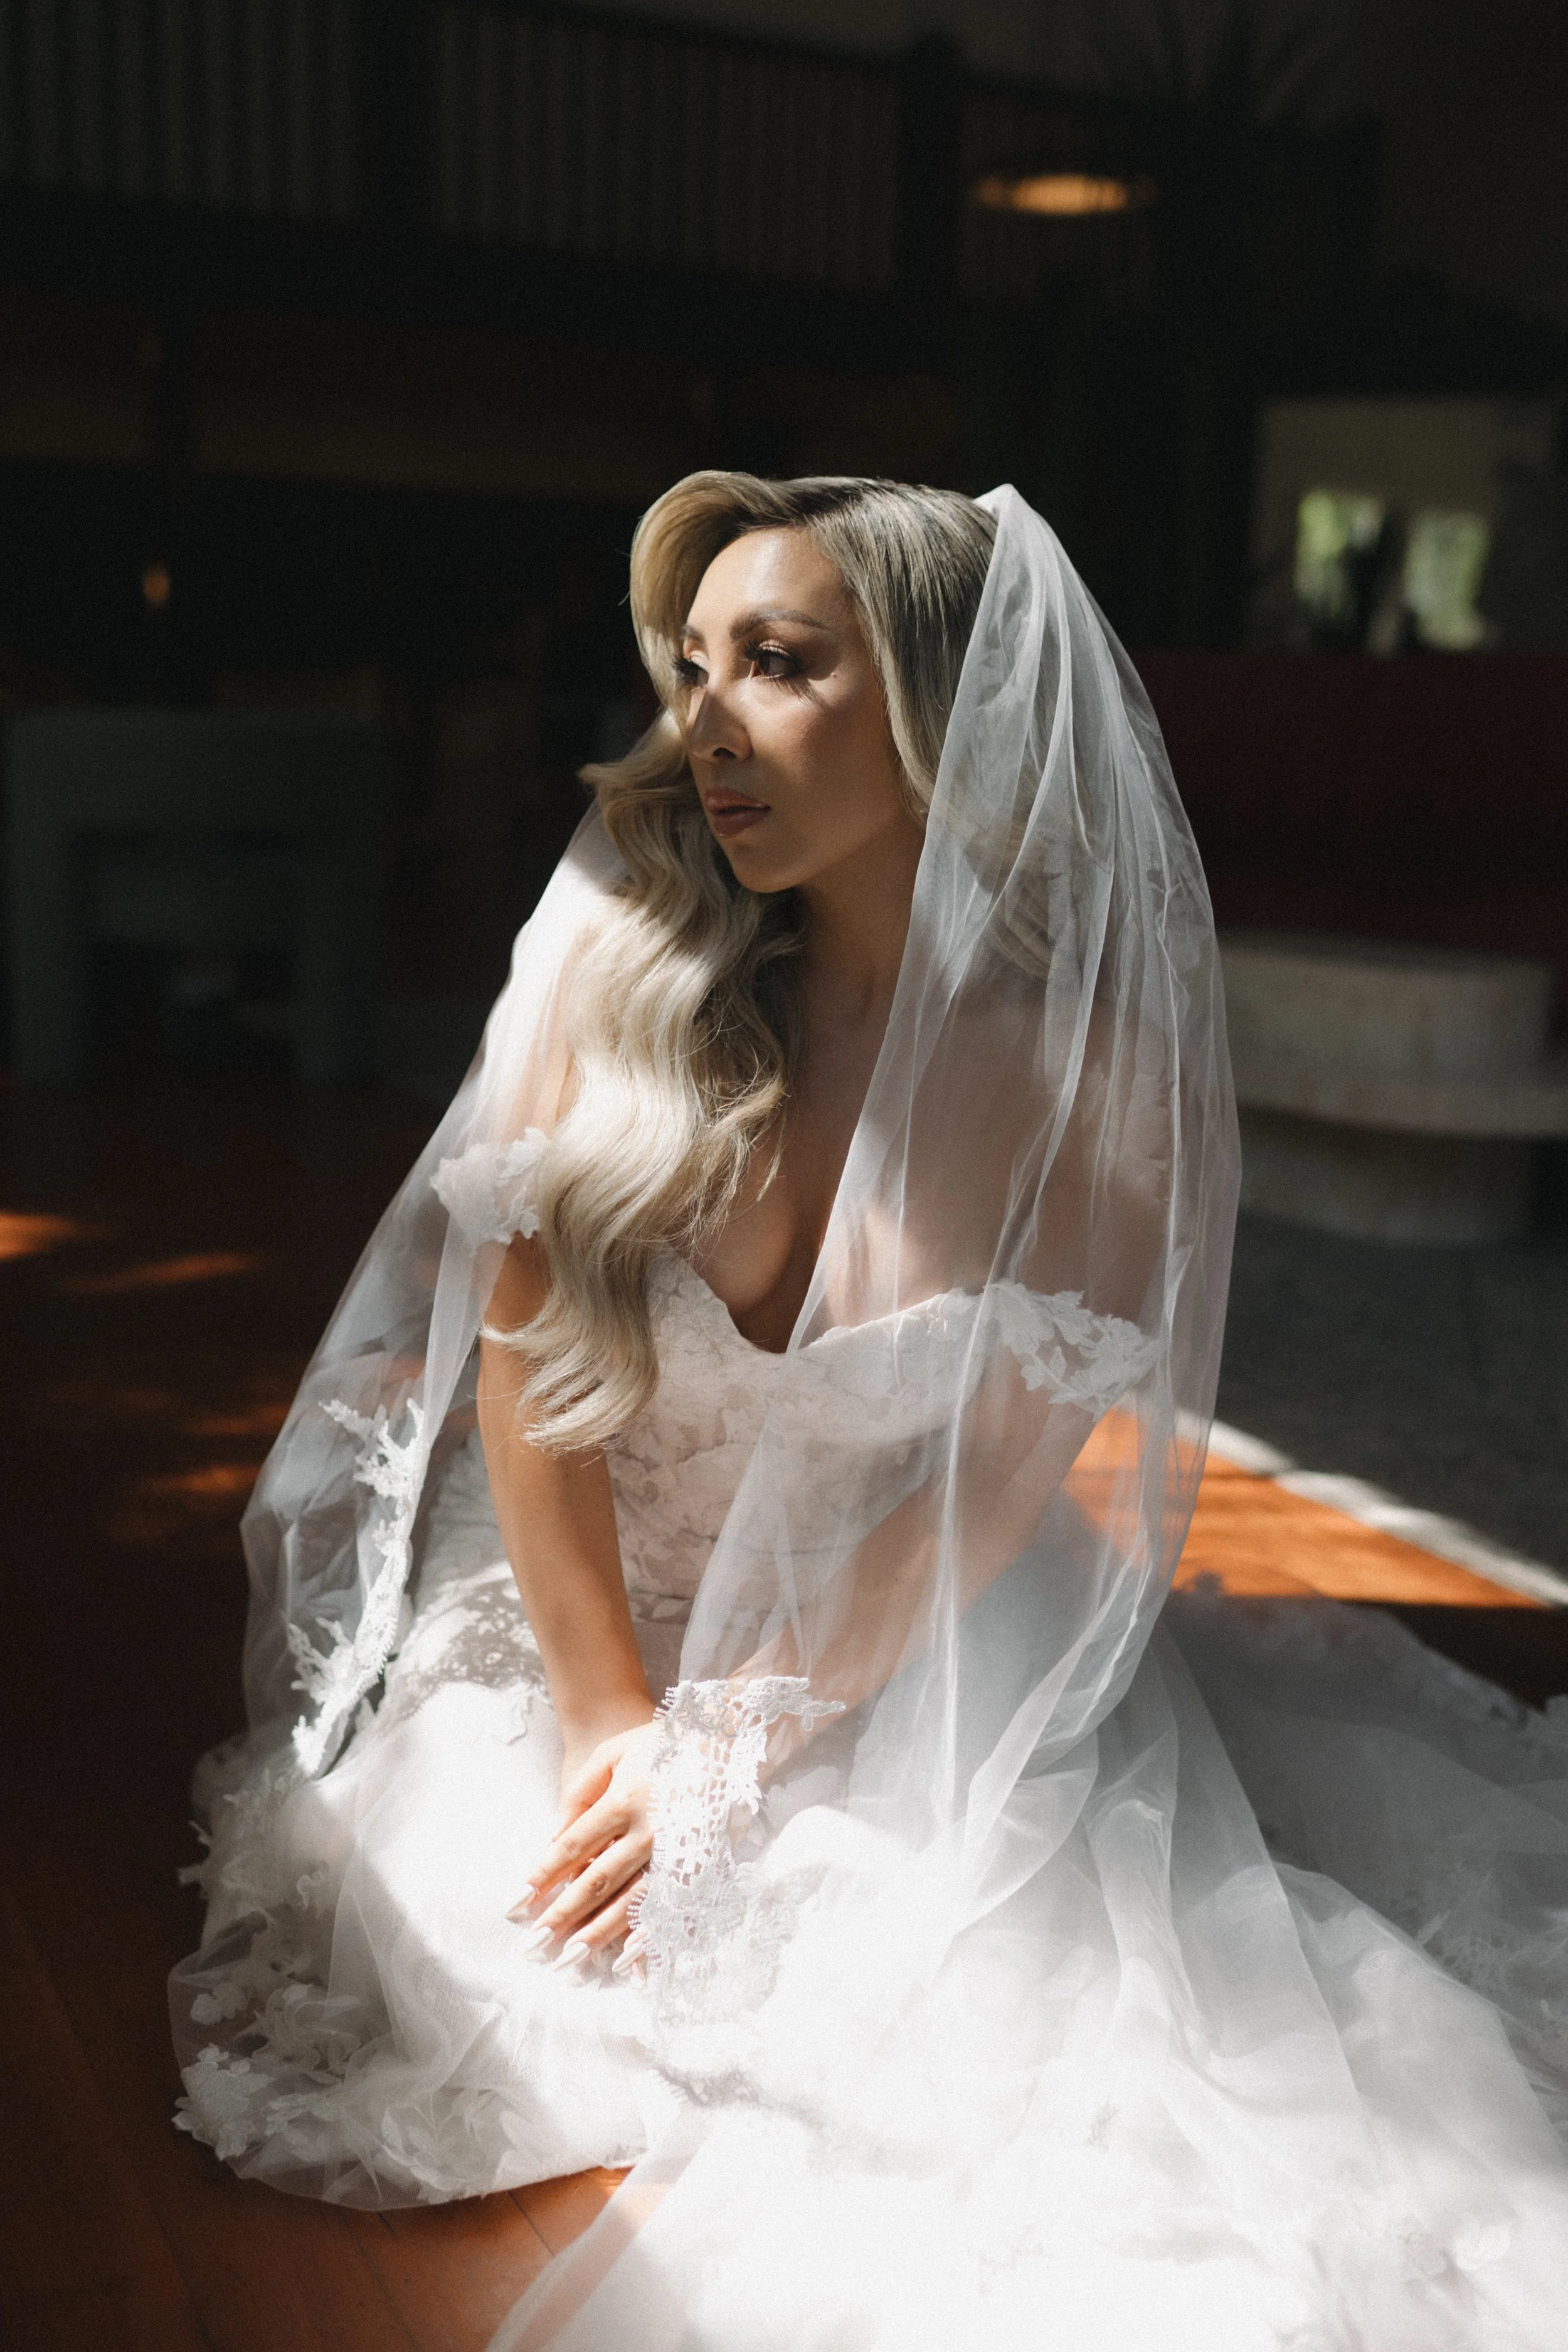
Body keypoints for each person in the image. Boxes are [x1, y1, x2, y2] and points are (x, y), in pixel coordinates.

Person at [172, 476, 1568, 2349]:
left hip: (884, 1620)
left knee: (1045, 2072)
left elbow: (989, 1481)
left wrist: (735, 1742)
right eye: (692, 668)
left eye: (779, 662)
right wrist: (617, 1729)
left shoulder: (1095, 1073)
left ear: (942, 703)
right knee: (507, 1976)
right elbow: (532, 1390)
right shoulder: (629, 960)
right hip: (584, 1598)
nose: (709, 723)